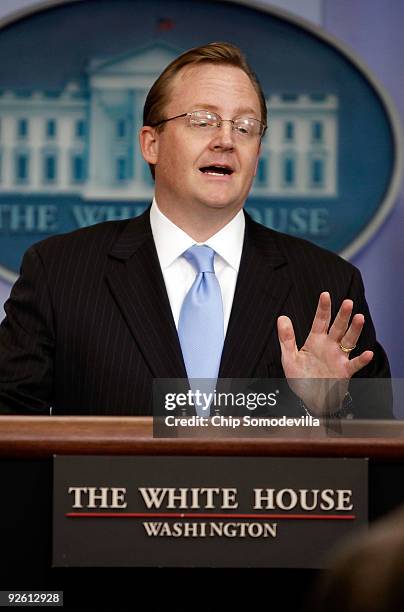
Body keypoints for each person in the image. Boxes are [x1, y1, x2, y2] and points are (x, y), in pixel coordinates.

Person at [0, 42, 392, 417]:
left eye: (245, 126)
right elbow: (11, 427)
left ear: (257, 154)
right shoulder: (60, 271)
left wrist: (328, 407)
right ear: (151, 143)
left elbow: (376, 458)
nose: (225, 140)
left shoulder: (328, 286)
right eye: (202, 121)